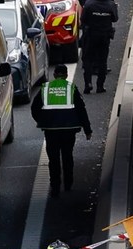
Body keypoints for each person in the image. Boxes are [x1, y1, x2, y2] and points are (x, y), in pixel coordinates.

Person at [31, 64, 92, 197]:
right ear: (66, 75)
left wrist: (42, 121)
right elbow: (81, 110)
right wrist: (87, 130)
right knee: (67, 156)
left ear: (54, 75)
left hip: (51, 130)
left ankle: (55, 187)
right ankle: (68, 184)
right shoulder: (71, 88)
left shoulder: (45, 89)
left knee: (53, 159)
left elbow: (34, 108)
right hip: (68, 130)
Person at [81, 0, 118, 94]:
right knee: (102, 61)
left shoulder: (89, 4)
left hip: (91, 35)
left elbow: (83, 19)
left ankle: (88, 84)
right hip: (104, 36)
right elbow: (115, 19)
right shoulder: (111, 4)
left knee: (88, 60)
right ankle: (100, 86)